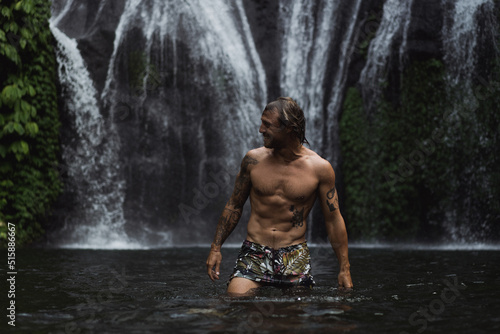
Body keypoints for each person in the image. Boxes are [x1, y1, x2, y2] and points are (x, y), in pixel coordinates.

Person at [206, 97, 353, 295]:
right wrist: (216, 248)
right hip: (255, 251)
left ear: (289, 128)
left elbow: (333, 219)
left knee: (291, 318)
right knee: (235, 299)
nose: (260, 130)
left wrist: (345, 268)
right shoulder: (253, 160)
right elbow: (235, 204)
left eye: (267, 125)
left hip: (294, 255)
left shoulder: (320, 168)